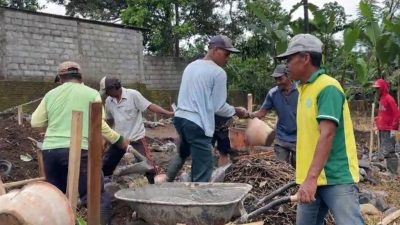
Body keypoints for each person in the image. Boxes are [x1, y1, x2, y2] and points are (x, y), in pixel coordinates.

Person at [276, 34, 364, 225]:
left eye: (289, 59)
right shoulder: (304, 88)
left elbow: (327, 134)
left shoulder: (328, 87)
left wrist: (310, 179)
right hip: (311, 179)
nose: (287, 65)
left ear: (305, 58)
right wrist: (308, 179)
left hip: (335, 177)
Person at [31, 61, 129, 225]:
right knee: (96, 196)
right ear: (80, 77)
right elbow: (99, 124)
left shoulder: (50, 95)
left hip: (51, 152)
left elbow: (35, 122)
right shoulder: (91, 93)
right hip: (79, 151)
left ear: (60, 79)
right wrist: (119, 139)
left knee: (57, 199)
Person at [164, 34, 248, 182]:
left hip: (180, 119)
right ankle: (198, 200)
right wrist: (236, 110)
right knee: (204, 167)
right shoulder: (218, 72)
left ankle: (166, 180)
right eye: (226, 53)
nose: (228, 58)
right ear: (215, 50)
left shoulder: (191, 66)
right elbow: (218, 107)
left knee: (183, 153)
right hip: (197, 123)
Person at [99, 76, 174, 183]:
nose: (106, 94)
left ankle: (155, 186)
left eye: (107, 91)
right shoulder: (108, 101)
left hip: (136, 139)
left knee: (148, 166)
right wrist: (106, 138)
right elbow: (109, 121)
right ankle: (105, 185)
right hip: (119, 140)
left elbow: (150, 106)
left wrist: (169, 113)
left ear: (114, 88)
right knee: (107, 165)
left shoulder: (133, 95)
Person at [248, 64, 298, 167]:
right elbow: (262, 113)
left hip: (299, 138)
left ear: (288, 76)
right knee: (279, 169)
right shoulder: (273, 93)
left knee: (298, 169)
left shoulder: (300, 91)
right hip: (281, 138)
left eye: (280, 78)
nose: (278, 82)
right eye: (276, 79)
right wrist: (248, 114)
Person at [373, 78, 400, 175]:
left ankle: (393, 172)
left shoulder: (389, 99)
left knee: (390, 150)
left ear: (383, 88)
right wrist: (377, 125)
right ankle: (389, 170)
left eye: (378, 88)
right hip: (382, 128)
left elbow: (397, 114)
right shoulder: (382, 99)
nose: (377, 91)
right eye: (376, 89)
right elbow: (382, 114)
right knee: (385, 149)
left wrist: (394, 128)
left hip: (388, 129)